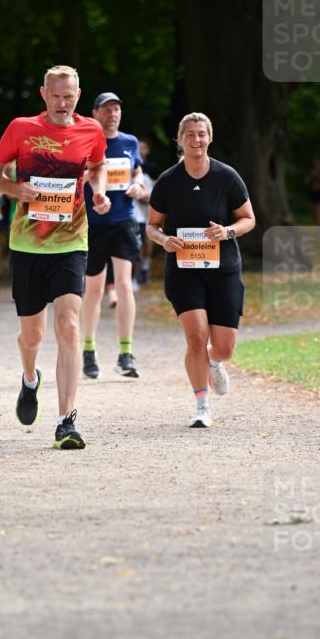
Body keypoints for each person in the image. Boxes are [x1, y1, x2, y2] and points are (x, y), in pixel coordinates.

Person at [0, 64, 109, 449]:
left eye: (68, 97)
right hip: (26, 246)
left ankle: (66, 421)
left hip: (72, 242)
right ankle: (29, 378)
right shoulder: (21, 128)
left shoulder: (91, 130)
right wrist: (13, 189)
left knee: (69, 325)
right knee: (32, 334)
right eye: (55, 96)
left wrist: (99, 191)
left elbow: (98, 164)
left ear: (78, 94)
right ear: (43, 94)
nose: (61, 103)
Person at [146, 113, 255, 428]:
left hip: (223, 269)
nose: (196, 140)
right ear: (180, 139)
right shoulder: (168, 180)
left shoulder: (227, 176)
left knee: (223, 345)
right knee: (196, 337)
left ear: (210, 137)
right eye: (190, 135)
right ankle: (202, 406)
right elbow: (152, 226)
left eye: (202, 134)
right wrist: (164, 239)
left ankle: (215, 361)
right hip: (184, 269)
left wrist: (227, 232)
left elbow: (248, 218)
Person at [81, 92, 148, 380]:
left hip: (123, 221)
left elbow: (138, 172)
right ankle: (88, 350)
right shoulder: (86, 140)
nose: (113, 114)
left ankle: (125, 353)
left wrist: (137, 184)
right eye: (107, 109)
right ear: (95, 113)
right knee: (94, 290)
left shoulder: (130, 142)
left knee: (124, 286)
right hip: (93, 223)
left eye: (117, 109)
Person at [134, 137, 158, 285]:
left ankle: (145, 267)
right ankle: (135, 275)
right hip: (135, 212)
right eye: (138, 147)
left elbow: (156, 188)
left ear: (147, 150)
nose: (140, 150)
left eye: (143, 148)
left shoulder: (152, 168)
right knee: (137, 243)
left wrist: (148, 197)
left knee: (148, 243)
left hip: (149, 209)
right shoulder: (131, 166)